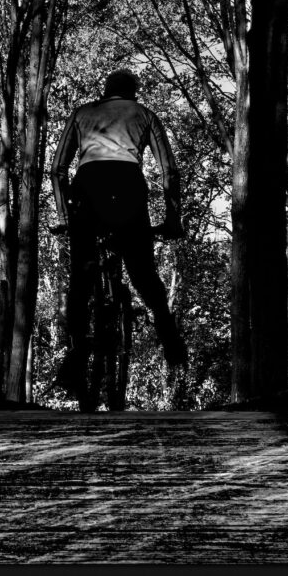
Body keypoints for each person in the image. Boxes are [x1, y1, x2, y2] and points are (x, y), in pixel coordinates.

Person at [49, 68, 187, 399]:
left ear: (105, 90)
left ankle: (75, 355)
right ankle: (170, 338)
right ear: (133, 92)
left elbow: (57, 170)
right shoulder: (144, 115)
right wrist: (172, 220)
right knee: (142, 273)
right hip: (128, 188)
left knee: (81, 280)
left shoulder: (83, 113)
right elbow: (169, 169)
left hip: (88, 189)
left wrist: (65, 217)